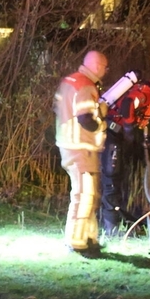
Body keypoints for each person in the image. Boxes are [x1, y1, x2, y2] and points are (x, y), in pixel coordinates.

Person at [99, 79, 150, 237]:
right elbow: (128, 104)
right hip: (112, 135)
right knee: (111, 180)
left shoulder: (148, 98)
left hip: (116, 137)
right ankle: (110, 228)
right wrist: (128, 127)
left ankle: (113, 222)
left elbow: (137, 123)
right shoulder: (147, 92)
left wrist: (141, 136)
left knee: (116, 179)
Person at [53, 50, 108, 256]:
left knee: (90, 194)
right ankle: (77, 242)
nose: (105, 71)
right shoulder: (85, 85)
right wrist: (102, 118)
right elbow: (86, 119)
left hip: (71, 145)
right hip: (80, 148)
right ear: (97, 66)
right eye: (104, 67)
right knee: (84, 195)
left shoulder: (70, 81)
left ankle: (89, 237)